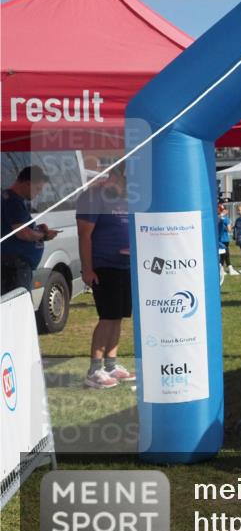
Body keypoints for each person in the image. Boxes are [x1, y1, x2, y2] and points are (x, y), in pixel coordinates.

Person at [76, 165, 135, 389]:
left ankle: (110, 364)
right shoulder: (92, 196)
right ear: (116, 174)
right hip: (104, 266)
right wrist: (87, 269)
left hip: (125, 265)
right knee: (107, 317)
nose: (128, 186)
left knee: (118, 317)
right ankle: (94, 370)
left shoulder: (125, 198)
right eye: (126, 180)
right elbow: (84, 235)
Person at [1, 166, 59, 295]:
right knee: (18, 305)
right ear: (28, 184)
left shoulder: (9, 198)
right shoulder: (13, 201)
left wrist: (36, 229)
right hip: (14, 267)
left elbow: (17, 228)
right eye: (37, 189)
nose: (38, 193)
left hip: (13, 265)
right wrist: (43, 235)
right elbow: (23, 233)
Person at [217, 204, 238, 276]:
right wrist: (232, 227)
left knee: (222, 255)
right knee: (226, 254)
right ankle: (230, 268)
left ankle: (221, 269)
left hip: (219, 239)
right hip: (225, 239)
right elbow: (229, 230)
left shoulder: (216, 217)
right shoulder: (226, 219)